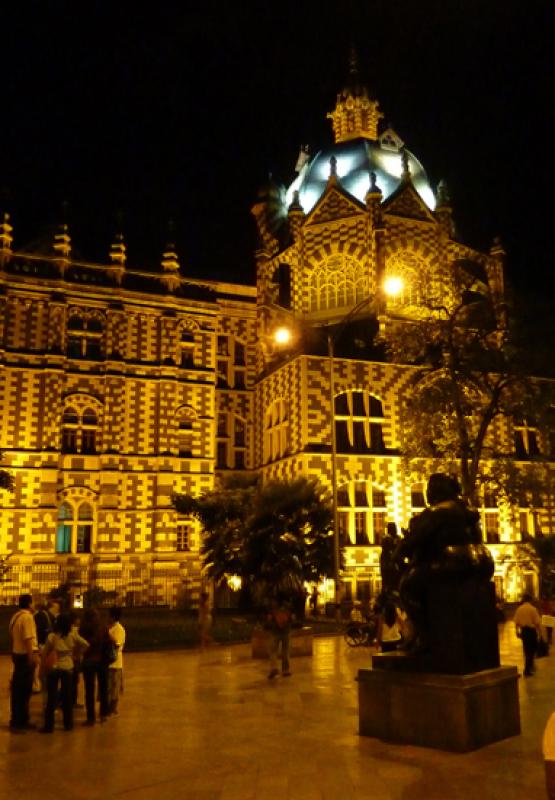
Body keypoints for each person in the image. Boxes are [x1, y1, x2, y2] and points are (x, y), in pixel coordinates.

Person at [40, 612, 89, 733]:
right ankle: (68, 724)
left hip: (55, 667)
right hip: (68, 667)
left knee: (51, 697)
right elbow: (86, 644)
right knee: (67, 697)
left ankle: (48, 726)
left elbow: (45, 652)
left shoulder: (52, 636)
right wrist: (77, 654)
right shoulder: (72, 635)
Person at [9, 593, 38, 732]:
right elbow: (28, 639)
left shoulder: (15, 616)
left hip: (17, 654)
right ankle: (19, 722)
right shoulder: (27, 617)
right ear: (29, 603)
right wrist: (31, 657)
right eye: (33, 602)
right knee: (23, 691)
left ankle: (20, 719)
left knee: (18, 689)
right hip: (25, 656)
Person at [79, 608, 111, 725]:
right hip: (102, 661)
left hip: (88, 661)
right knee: (103, 688)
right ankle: (103, 714)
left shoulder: (83, 629)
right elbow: (108, 642)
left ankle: (91, 717)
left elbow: (80, 644)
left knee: (89, 690)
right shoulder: (103, 628)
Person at [514, 593, 543, 677]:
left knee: (526, 650)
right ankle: (527, 668)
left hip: (524, 631)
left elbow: (516, 622)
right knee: (532, 649)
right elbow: (537, 623)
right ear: (530, 600)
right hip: (531, 631)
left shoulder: (519, 609)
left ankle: (529, 667)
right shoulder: (533, 609)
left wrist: (517, 632)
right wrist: (540, 633)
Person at [267, 594, 292, 679]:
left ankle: (274, 668)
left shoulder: (273, 607)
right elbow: (292, 618)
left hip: (275, 631)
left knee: (273, 651)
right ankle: (286, 670)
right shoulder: (288, 606)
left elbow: (269, 618)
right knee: (285, 651)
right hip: (286, 631)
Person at [107, 606, 126, 716]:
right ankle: (109, 707)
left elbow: (117, 645)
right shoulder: (111, 627)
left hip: (116, 662)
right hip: (109, 662)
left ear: (113, 616)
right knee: (108, 686)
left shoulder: (119, 629)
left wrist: (108, 635)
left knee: (114, 686)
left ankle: (113, 707)